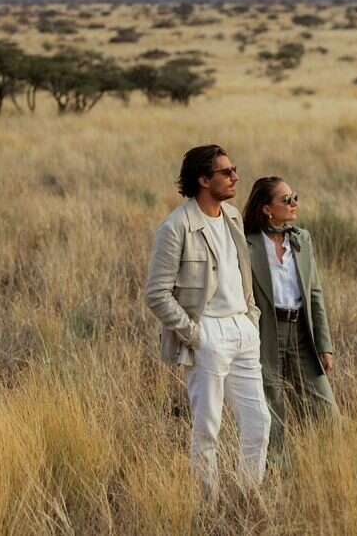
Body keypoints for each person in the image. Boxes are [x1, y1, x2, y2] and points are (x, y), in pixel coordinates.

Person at [143, 144, 271, 500]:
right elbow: (156, 293)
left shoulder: (231, 216)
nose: (235, 177)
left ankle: (250, 496)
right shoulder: (176, 227)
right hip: (207, 333)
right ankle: (207, 502)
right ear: (203, 179)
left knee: (259, 423)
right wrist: (195, 335)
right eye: (226, 173)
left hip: (243, 329)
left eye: (234, 170)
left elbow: (241, 272)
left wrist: (251, 317)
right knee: (207, 428)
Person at [241, 177, 338, 466]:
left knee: (324, 410)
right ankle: (277, 475)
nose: (294, 203)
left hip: (301, 332)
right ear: (267, 209)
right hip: (265, 332)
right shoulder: (248, 245)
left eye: (295, 197)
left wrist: (324, 344)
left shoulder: (301, 239)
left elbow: (315, 293)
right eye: (286, 200)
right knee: (271, 410)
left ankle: (325, 468)